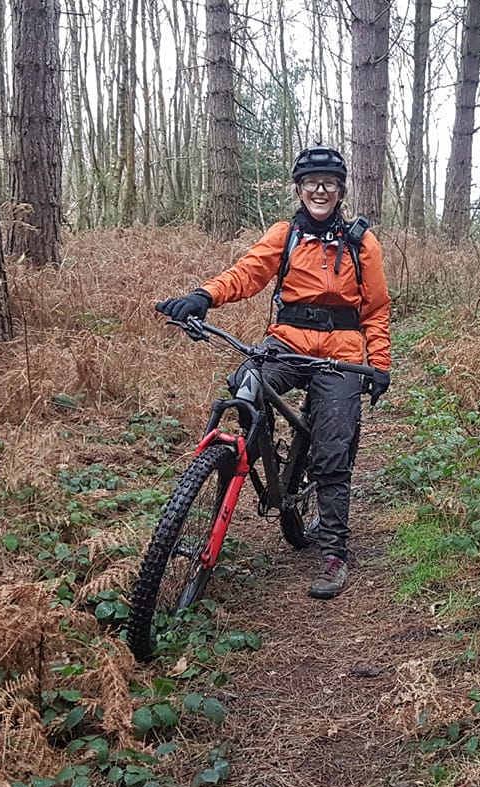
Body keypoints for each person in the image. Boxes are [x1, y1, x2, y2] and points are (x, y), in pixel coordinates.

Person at [155, 146, 391, 599]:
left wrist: (377, 365)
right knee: (244, 384)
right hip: (286, 342)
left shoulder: (363, 243)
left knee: (333, 448)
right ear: (299, 190)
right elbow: (247, 273)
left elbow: (376, 310)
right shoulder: (285, 234)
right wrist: (203, 297)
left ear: (340, 191)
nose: (320, 190)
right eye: (311, 182)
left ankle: (333, 553)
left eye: (329, 183)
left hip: (340, 353)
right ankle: (241, 461)